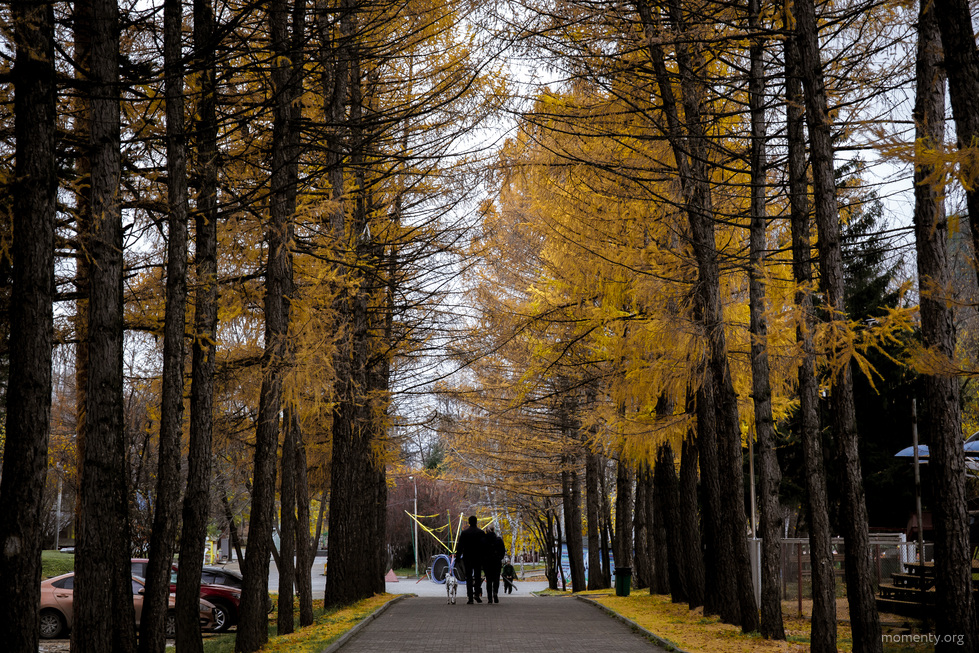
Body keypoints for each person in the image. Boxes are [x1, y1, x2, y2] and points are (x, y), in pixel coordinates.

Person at [457, 515, 484, 604]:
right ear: (476, 522)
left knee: (468, 577)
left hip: (467, 558)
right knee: (477, 577)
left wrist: (457, 558)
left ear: (468, 522)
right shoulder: (481, 533)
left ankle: (470, 597)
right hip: (478, 557)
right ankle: (477, 594)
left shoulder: (464, 533)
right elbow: (484, 546)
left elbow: (460, 546)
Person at [482, 525, 506, 603]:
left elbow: (481, 552)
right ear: (493, 530)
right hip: (496, 562)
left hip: (487, 563)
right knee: (496, 579)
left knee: (488, 580)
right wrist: (499, 558)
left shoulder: (484, 540)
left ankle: (489, 598)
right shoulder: (498, 540)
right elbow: (503, 551)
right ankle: (495, 593)